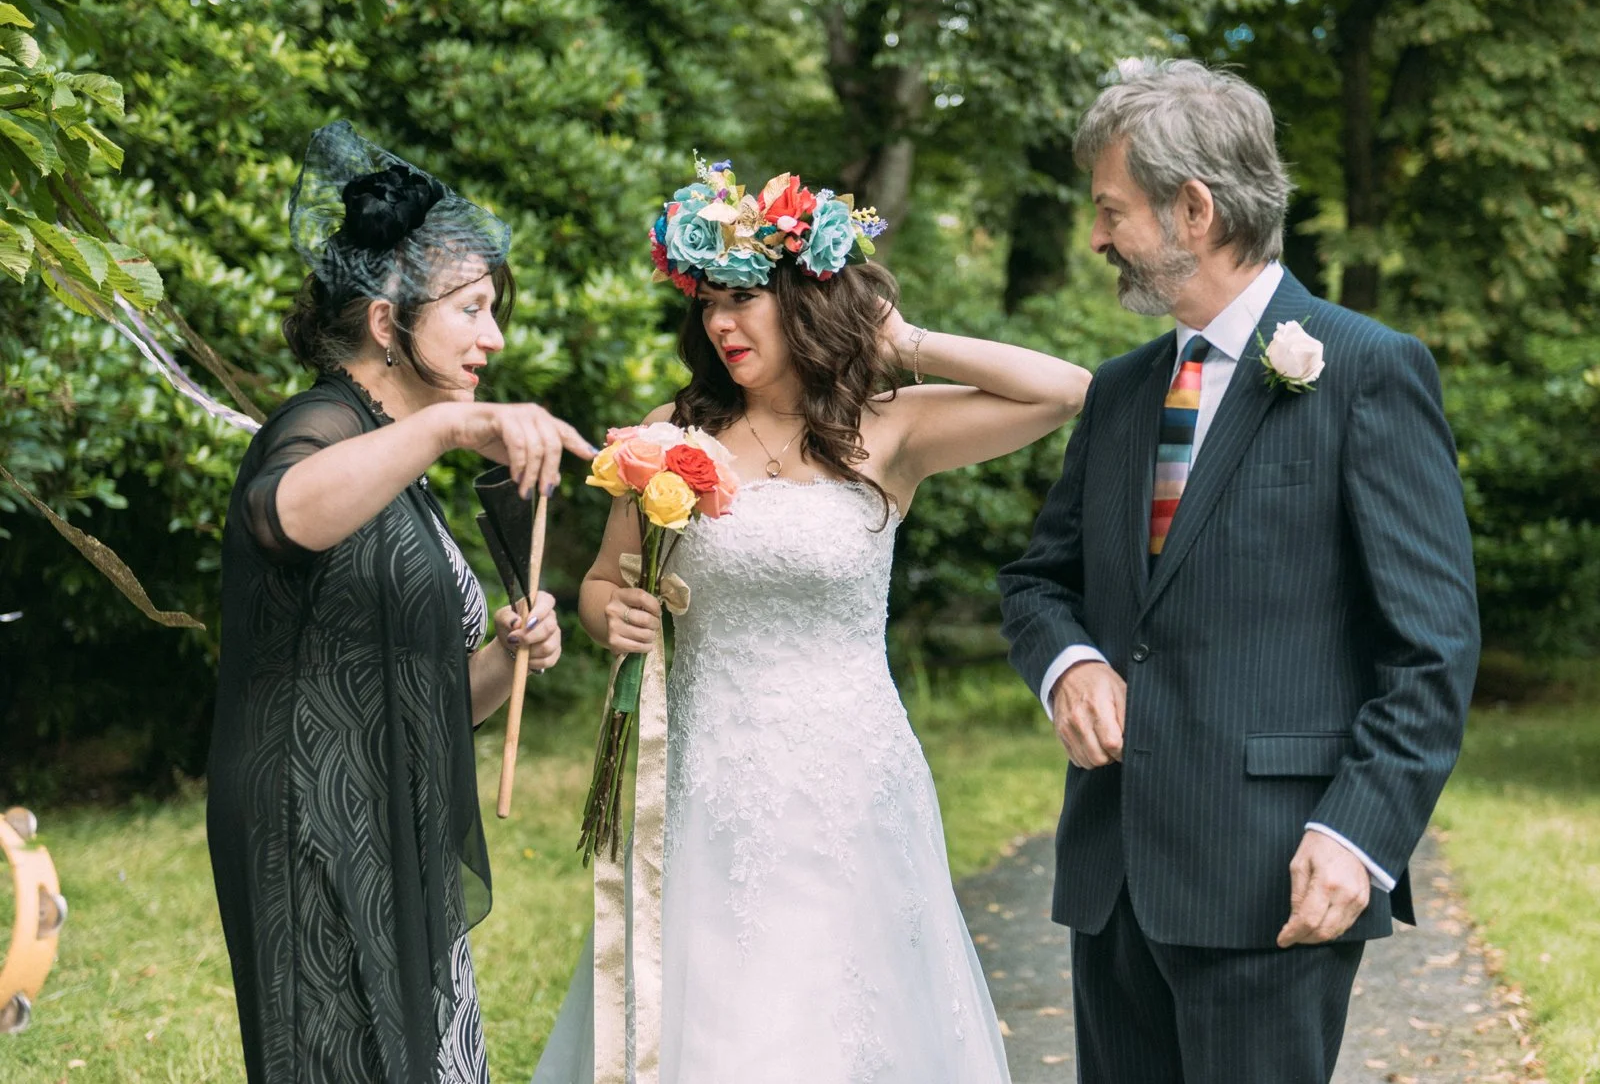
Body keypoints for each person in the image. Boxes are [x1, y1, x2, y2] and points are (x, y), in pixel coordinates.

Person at [530, 163, 1091, 1082]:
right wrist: (612, 615)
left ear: (804, 299)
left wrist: (905, 339)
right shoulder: (669, 434)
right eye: (708, 303)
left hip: (851, 779)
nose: (720, 323)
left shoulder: (891, 430)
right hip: (710, 777)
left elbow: (1063, 389)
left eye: (744, 300)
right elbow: (602, 581)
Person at [998, 59, 1481, 1084]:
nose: (1096, 238)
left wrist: (1354, 836)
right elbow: (1037, 582)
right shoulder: (1124, 394)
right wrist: (1070, 665)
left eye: (1109, 210)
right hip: (1113, 879)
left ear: (1194, 207)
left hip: (1274, 879)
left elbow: (1429, 650)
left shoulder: (1365, 370)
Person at [209, 121, 595, 1084]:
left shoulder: (403, 460)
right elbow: (282, 512)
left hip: (389, 818)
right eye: (469, 309)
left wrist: (511, 652)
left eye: (491, 309)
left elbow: (438, 692)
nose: (493, 336)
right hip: (311, 826)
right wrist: (456, 427)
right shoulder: (323, 423)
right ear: (388, 322)